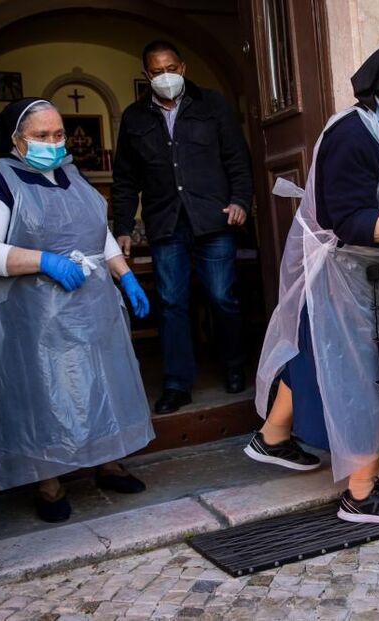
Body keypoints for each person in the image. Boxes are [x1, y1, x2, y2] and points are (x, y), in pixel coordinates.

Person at [247, 42, 379, 525]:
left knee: (319, 353)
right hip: (340, 265)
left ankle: (273, 436)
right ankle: (360, 495)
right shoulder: (351, 134)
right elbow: (347, 222)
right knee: (366, 369)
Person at [0, 98, 156, 523]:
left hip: (92, 304)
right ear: (16, 139)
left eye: (58, 134)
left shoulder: (71, 173)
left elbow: (98, 235)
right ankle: (47, 482)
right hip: (32, 311)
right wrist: (44, 261)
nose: (53, 143)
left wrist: (125, 275)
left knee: (102, 383)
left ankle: (108, 463)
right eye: (41, 136)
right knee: (44, 393)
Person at [112, 40, 254, 414]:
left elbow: (237, 159)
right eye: (157, 71)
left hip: (214, 219)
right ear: (146, 75)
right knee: (172, 303)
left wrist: (241, 201)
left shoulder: (212, 105)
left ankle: (234, 366)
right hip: (166, 223)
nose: (165, 76)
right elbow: (125, 179)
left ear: (183, 68)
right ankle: (177, 384)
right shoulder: (134, 118)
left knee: (222, 297)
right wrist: (123, 226)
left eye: (171, 69)